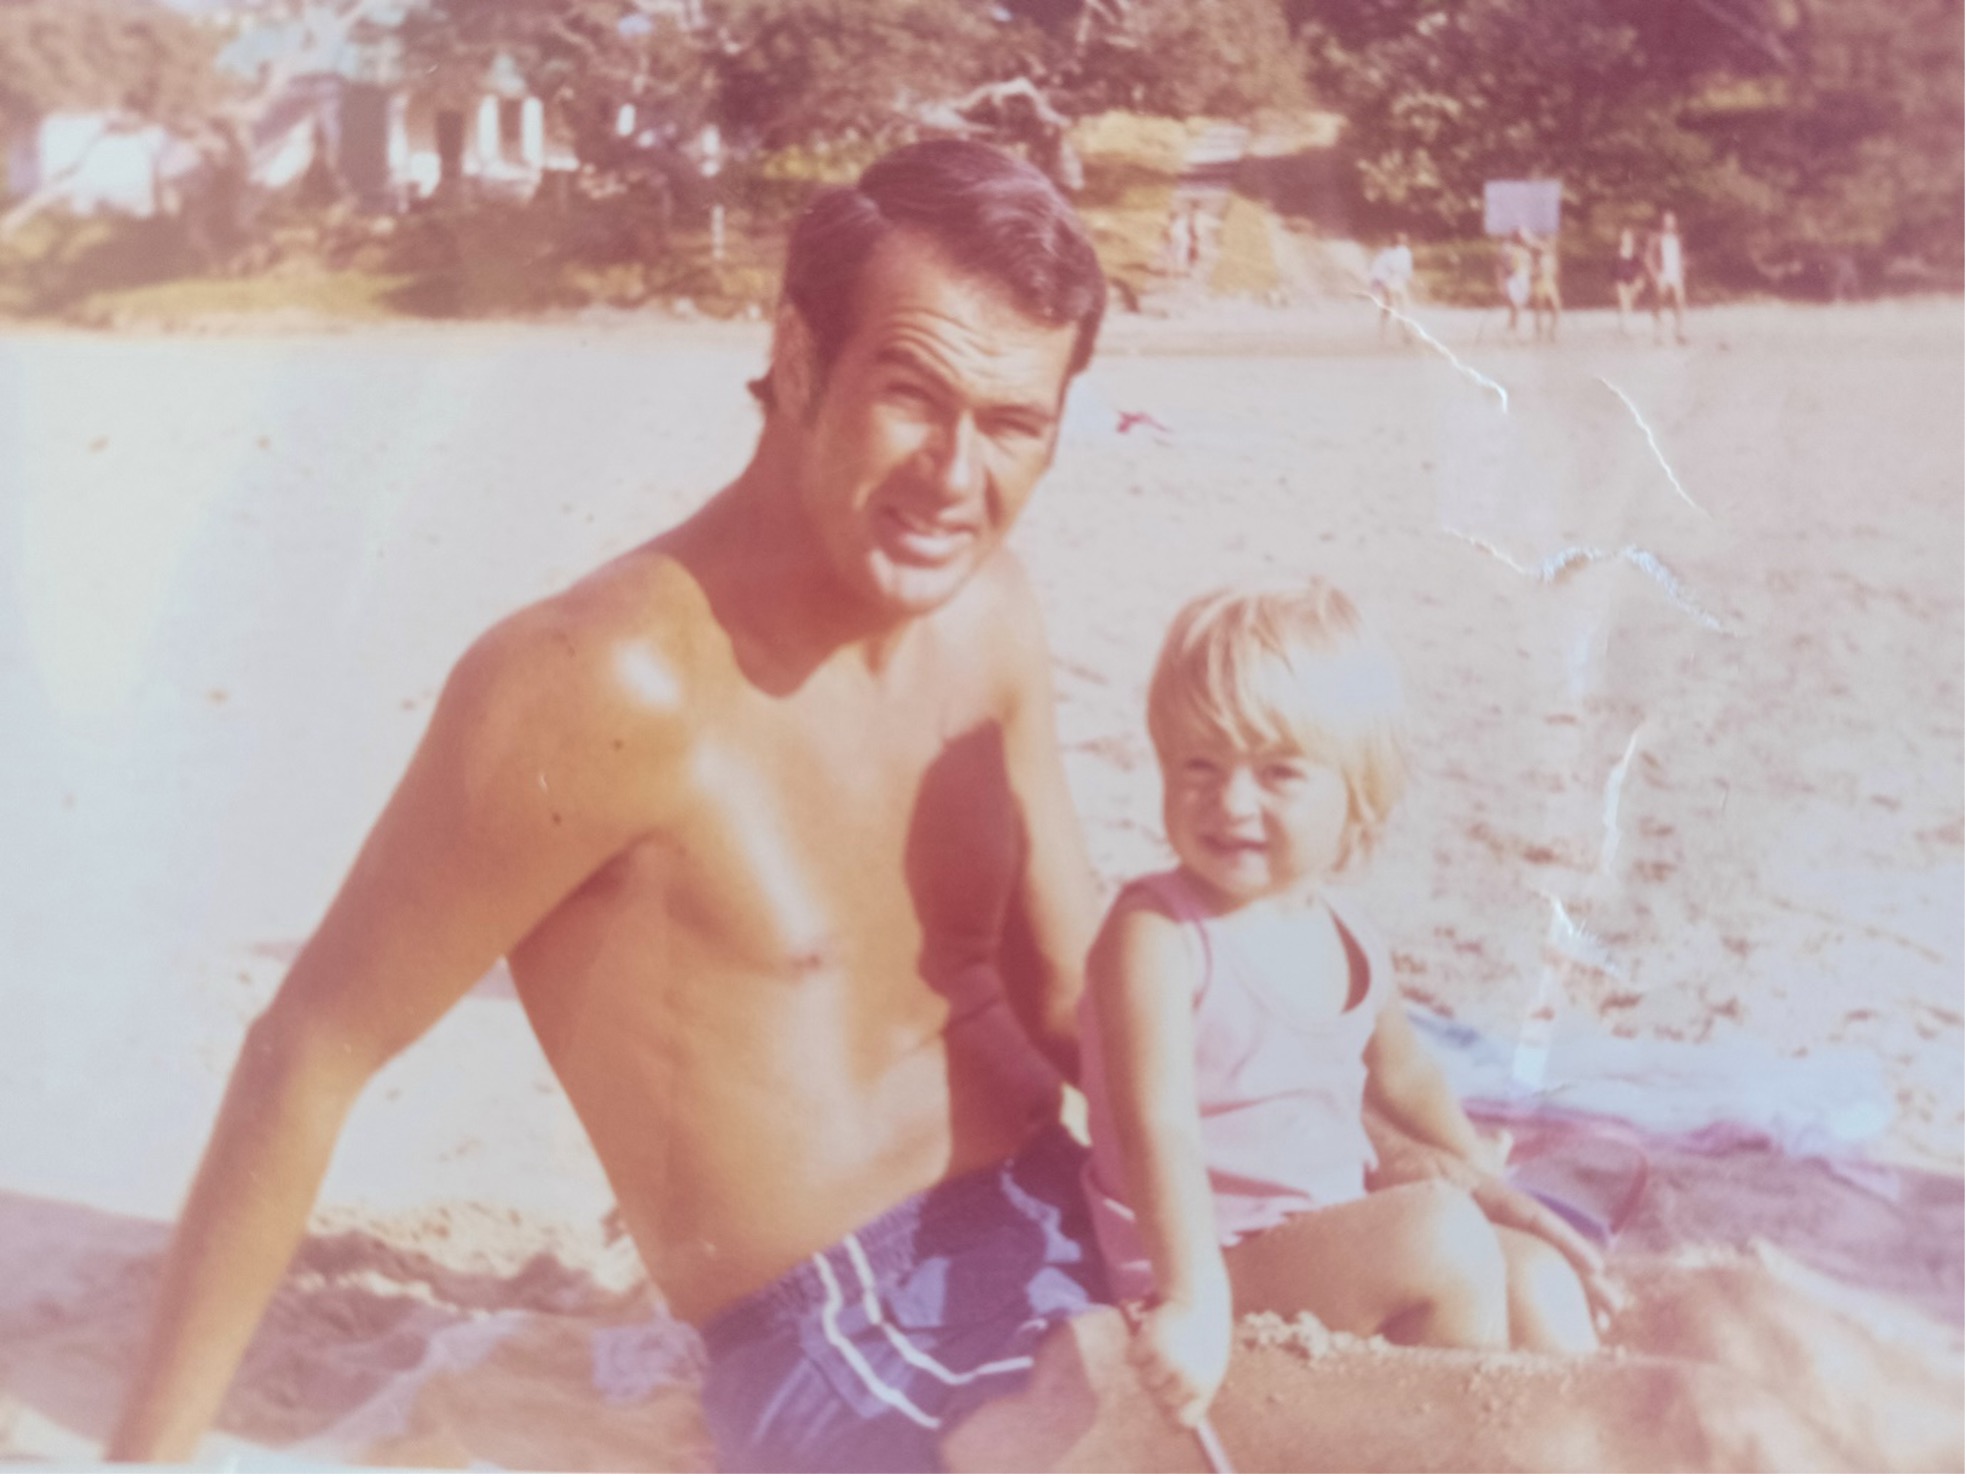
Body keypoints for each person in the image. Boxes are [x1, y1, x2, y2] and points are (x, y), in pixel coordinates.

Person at [106, 138, 1799, 1475]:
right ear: (794, 357)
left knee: (1544, 1306)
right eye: (911, 395)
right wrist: (143, 1458)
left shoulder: (983, 613)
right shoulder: (596, 684)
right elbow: (309, 1050)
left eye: (1012, 425)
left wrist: (1384, 1149)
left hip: (1083, 1220)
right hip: (858, 1334)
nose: (954, 476)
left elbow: (1078, 1004)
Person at [1079, 581, 1603, 1429]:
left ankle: (1571, 1439)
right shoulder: (1157, 934)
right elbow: (1157, 1129)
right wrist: (1192, 1301)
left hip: (1328, 1233)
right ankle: (1456, 1441)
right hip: (1213, 1258)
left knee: (1535, 1276)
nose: (1230, 802)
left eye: (1277, 773)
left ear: (1356, 797)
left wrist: (1477, 1170)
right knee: (1440, 1240)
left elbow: (1405, 1078)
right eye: (1197, 766)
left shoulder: (1346, 934)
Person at [1648, 209, 1689, 344]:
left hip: (1676, 274)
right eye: (1667, 221)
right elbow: (1649, 257)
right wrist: (1654, 274)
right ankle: (1657, 332)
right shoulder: (1656, 238)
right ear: (1662, 223)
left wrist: (1683, 269)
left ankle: (1679, 332)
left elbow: (1683, 256)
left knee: (1680, 301)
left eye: (1672, 221)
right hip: (1662, 274)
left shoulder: (1679, 238)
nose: (1669, 224)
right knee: (1659, 302)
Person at [1365, 232, 1414, 339]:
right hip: (1388, 283)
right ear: (1393, 240)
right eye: (1399, 239)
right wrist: (1377, 284)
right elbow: (1377, 268)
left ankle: (1404, 332)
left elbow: (1407, 268)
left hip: (1400, 283)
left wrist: (1408, 279)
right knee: (1389, 306)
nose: (1401, 242)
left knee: (1404, 307)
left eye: (1403, 240)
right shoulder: (1385, 252)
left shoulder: (1406, 252)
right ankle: (1383, 330)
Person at [1497, 228, 1533, 337]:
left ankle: (1512, 327)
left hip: (1523, 278)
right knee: (1514, 304)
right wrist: (1501, 282)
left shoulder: (1526, 250)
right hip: (1512, 278)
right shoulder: (1507, 248)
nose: (1521, 239)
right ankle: (1512, 329)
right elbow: (1501, 265)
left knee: (1519, 305)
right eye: (1519, 236)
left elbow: (1528, 265)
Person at [1529, 233, 1562, 341]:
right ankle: (1538, 331)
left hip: (1550, 283)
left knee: (1556, 306)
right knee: (1539, 308)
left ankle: (1553, 330)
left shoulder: (1552, 257)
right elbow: (1532, 272)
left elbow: (1555, 272)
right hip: (1539, 283)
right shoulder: (1536, 257)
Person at [1612, 226, 1645, 335]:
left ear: (1631, 239)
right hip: (1620, 280)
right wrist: (1614, 282)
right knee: (1624, 300)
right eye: (1624, 237)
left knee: (1630, 302)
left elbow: (1641, 268)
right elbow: (1613, 268)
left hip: (1632, 280)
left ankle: (1624, 321)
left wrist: (1640, 281)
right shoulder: (1617, 253)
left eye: (1628, 237)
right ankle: (1626, 325)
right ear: (1621, 239)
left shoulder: (1636, 253)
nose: (1626, 239)